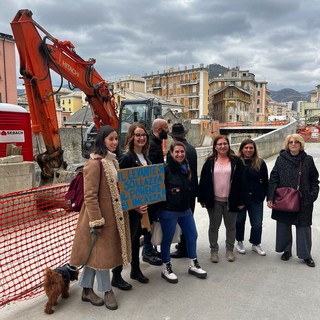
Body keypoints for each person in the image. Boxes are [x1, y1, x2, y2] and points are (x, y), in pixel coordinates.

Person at [70, 125, 131, 310]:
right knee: (102, 258)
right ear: (102, 140)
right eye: (110, 139)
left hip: (111, 218)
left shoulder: (111, 161)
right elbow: (90, 196)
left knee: (96, 257)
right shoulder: (95, 163)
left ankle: (86, 290)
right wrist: (96, 220)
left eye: (116, 139)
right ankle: (107, 291)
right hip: (99, 219)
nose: (114, 142)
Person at [267, 133, 319, 267]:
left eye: (296, 142)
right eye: (291, 142)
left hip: (303, 199)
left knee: (303, 227)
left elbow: (314, 179)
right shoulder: (281, 159)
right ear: (287, 144)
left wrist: (312, 195)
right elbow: (273, 178)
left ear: (301, 144)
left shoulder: (307, 160)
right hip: (284, 198)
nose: (293, 144)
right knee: (283, 225)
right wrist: (270, 197)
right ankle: (286, 250)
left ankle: (306, 255)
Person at [158, 141, 207, 283]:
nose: (180, 154)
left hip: (185, 209)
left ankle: (193, 264)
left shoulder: (186, 167)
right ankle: (166, 267)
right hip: (169, 210)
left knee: (192, 235)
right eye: (177, 152)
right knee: (167, 239)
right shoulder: (165, 169)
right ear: (171, 153)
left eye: (182, 152)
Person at [112, 123, 152, 290]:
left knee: (136, 240)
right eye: (137, 135)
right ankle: (116, 275)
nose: (141, 138)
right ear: (131, 138)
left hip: (142, 209)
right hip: (130, 209)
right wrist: (133, 206)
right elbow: (119, 186)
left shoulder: (145, 157)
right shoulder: (127, 158)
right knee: (125, 241)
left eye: (143, 135)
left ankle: (135, 270)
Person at [198, 135, 246, 263]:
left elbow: (243, 182)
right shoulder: (209, 162)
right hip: (214, 201)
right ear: (215, 146)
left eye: (225, 144)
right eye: (219, 144)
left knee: (231, 227)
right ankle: (214, 250)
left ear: (228, 145)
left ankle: (229, 250)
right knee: (214, 226)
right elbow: (203, 181)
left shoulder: (236, 162)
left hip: (232, 201)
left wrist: (242, 201)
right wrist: (202, 198)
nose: (222, 146)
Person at [167, 123, 198, 258]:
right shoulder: (192, 149)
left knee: (181, 221)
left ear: (173, 137)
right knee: (189, 219)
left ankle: (183, 249)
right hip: (191, 191)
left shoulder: (173, 151)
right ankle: (186, 246)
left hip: (179, 192)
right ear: (184, 135)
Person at [142, 118, 170, 266]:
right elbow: (151, 170)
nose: (168, 130)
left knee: (152, 221)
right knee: (149, 221)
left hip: (153, 191)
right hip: (151, 192)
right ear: (160, 130)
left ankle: (150, 249)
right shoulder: (153, 145)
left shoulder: (155, 143)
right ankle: (147, 251)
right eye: (166, 128)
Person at [235, 139, 268, 256]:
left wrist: (264, 196)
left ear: (254, 149)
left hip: (256, 198)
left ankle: (256, 243)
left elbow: (265, 182)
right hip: (240, 198)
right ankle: (239, 241)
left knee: (257, 223)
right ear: (242, 149)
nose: (248, 150)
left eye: (251, 148)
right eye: (246, 148)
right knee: (239, 221)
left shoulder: (260, 163)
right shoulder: (236, 162)